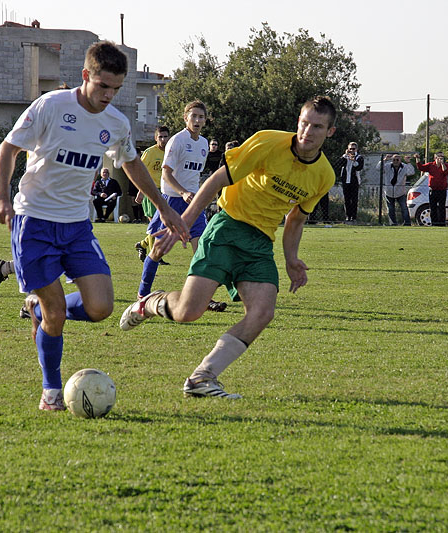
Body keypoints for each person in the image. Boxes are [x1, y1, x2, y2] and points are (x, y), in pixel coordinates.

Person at [0, 40, 189, 411]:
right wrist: (1, 197)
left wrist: (164, 207)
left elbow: (131, 163)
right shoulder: (51, 106)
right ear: (86, 76)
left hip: (78, 225)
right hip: (34, 222)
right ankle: (51, 390)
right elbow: (8, 148)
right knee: (56, 316)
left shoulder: (116, 122)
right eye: (103, 86)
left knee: (101, 308)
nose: (109, 95)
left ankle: (39, 307)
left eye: (116, 88)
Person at [119, 96, 338, 399]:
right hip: (226, 228)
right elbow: (214, 182)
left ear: (330, 132)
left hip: (260, 243)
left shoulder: (324, 175)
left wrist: (291, 259)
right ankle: (148, 304)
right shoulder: (267, 143)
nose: (307, 132)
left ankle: (202, 377)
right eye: (304, 123)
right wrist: (182, 222)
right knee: (188, 312)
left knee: (262, 312)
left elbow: (296, 220)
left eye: (317, 126)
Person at [136, 100, 226, 312]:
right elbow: (166, 174)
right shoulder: (176, 141)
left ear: (205, 120)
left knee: (202, 250)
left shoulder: (203, 143)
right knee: (158, 250)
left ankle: (203, 298)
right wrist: (183, 192)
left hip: (193, 204)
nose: (197, 120)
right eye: (193, 116)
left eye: (201, 117)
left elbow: (193, 175)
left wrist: (196, 194)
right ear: (185, 118)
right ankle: (142, 294)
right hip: (172, 201)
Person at [134, 125, 170, 262]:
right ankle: (155, 256)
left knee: (163, 226)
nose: (163, 139)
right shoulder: (149, 153)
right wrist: (141, 191)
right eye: (160, 137)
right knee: (154, 225)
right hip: (151, 192)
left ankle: (142, 245)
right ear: (156, 138)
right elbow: (140, 172)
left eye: (165, 136)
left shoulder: (171, 152)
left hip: (166, 192)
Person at [414, 151, 448, 226]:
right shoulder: (430, 165)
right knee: (433, 207)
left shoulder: (446, 165)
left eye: (442, 157)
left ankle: (442, 223)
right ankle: (434, 223)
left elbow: (445, 172)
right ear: (435, 158)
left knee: (441, 207)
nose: (440, 159)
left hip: (442, 190)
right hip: (433, 190)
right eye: (438, 157)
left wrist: (442, 164)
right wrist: (417, 159)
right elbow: (421, 167)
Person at [378, 153, 414, 226]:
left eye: (397, 160)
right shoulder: (387, 166)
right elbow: (378, 168)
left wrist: (408, 162)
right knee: (390, 209)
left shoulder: (404, 166)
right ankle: (393, 223)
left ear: (400, 160)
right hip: (389, 191)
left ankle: (407, 223)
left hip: (400, 191)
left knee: (404, 208)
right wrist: (385, 160)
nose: (395, 161)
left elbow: (411, 172)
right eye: (394, 160)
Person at [336, 142, 363, 223]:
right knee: (346, 199)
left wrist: (353, 160)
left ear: (356, 149)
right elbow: (339, 164)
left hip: (354, 180)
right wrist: (345, 156)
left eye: (353, 149)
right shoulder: (345, 157)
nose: (351, 150)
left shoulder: (359, 157)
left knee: (354, 200)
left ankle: (353, 217)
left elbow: (359, 167)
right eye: (350, 149)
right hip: (346, 180)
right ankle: (348, 216)